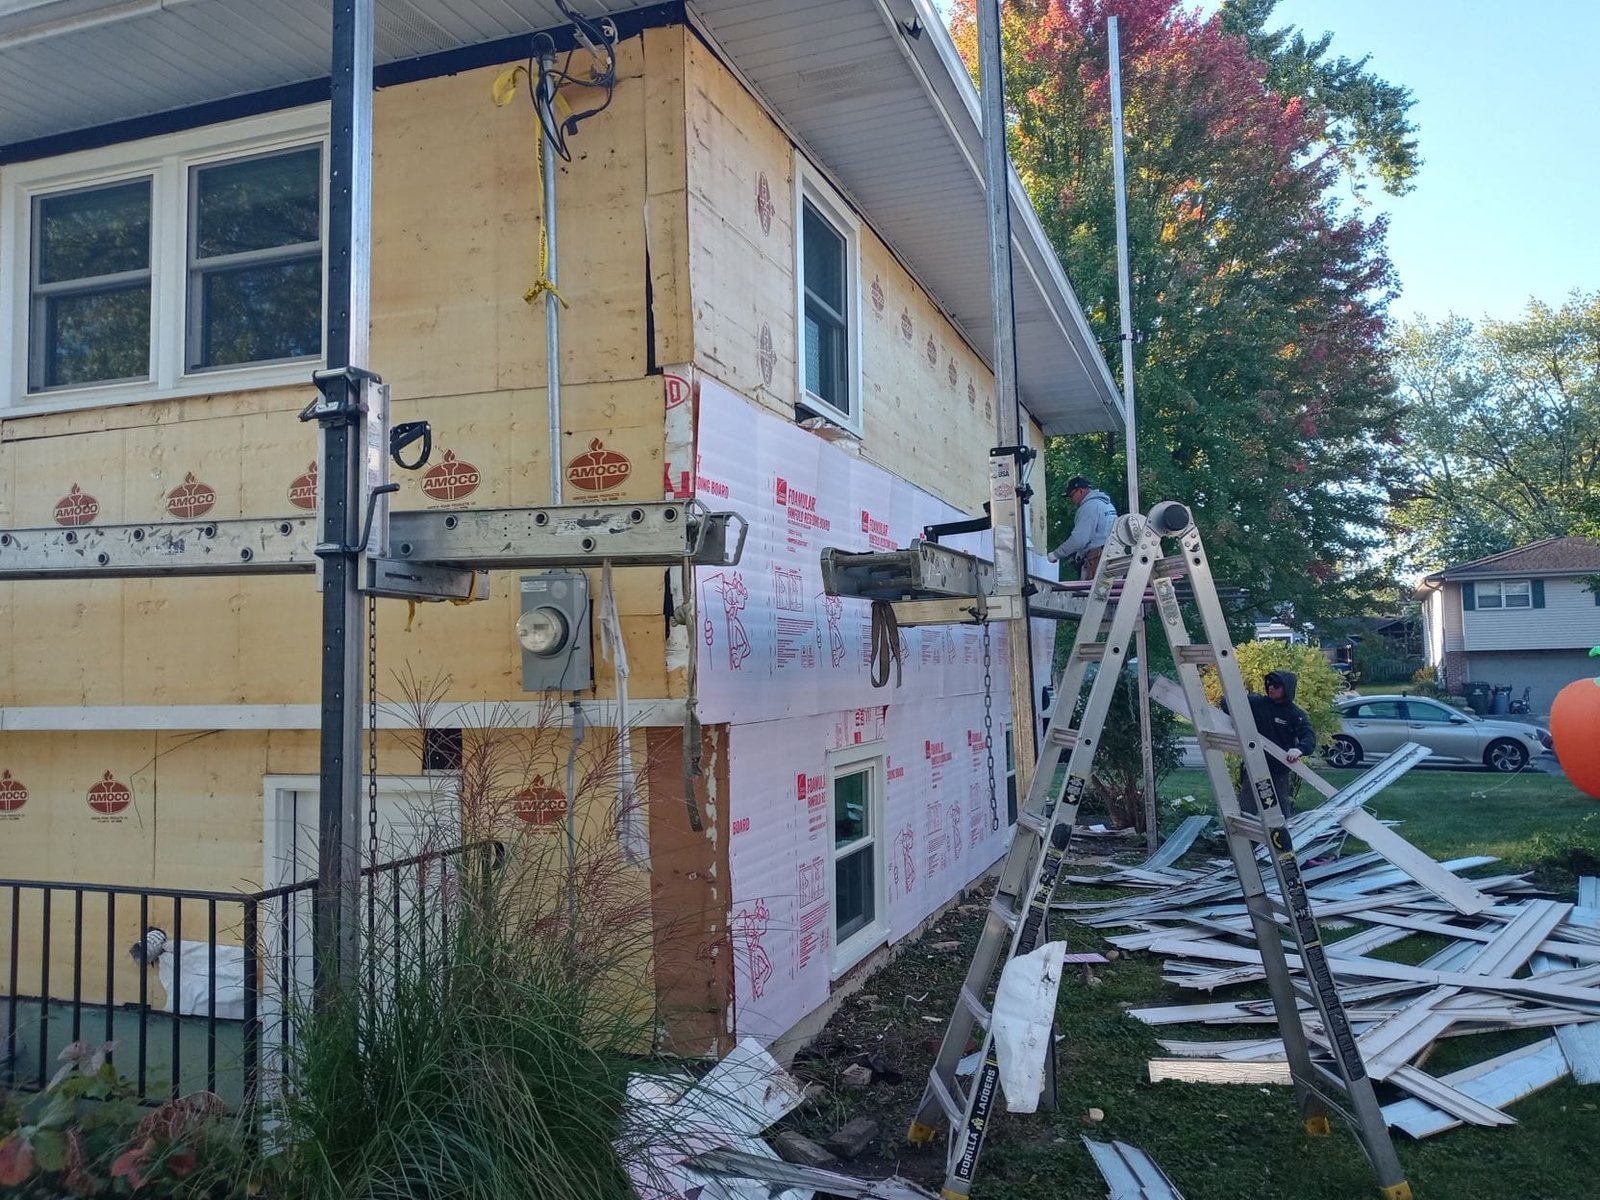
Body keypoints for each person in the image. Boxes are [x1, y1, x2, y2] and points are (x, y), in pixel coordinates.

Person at [1241, 670, 1318, 817]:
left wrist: (1299, 750)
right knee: (1247, 808)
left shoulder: (1295, 714)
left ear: (1287, 688)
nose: (1271, 688)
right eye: (1270, 684)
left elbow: (1309, 737)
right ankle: (1246, 839)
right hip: (1255, 764)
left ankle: (1283, 837)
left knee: (1280, 811)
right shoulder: (1258, 703)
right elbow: (1229, 703)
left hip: (1279, 768)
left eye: (1277, 685)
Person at [1046, 476, 1117, 578]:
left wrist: (1056, 555)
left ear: (1080, 491)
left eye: (1071, 496)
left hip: (1098, 561)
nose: (1071, 500)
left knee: (1092, 593)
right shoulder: (1106, 505)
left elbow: (1079, 540)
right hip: (1114, 559)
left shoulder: (1089, 507)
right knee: (1113, 592)